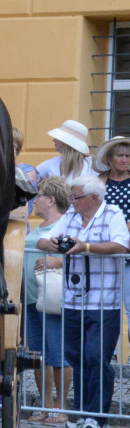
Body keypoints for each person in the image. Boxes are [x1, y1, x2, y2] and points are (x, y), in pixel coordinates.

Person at [37, 175, 128, 428]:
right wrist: (53, 244)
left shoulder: (112, 213)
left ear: (94, 197)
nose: (72, 201)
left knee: (96, 356)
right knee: (76, 357)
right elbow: (42, 240)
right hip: (73, 300)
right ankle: (82, 413)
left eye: (76, 197)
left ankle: (98, 417)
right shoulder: (71, 216)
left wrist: (85, 246)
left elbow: (122, 244)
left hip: (104, 301)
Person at [24, 177, 73, 425]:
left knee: (58, 353)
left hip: (52, 297)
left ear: (51, 200)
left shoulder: (65, 224)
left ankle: (61, 408)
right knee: (38, 355)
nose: (35, 200)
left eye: (39, 195)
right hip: (32, 297)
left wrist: (58, 262)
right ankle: (46, 406)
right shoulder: (41, 226)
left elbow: (79, 256)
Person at [92, 136, 130, 326]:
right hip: (103, 249)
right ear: (109, 158)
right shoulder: (99, 182)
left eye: (128, 156)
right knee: (102, 304)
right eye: (120, 156)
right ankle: (107, 345)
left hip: (127, 249)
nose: (124, 160)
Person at [36, 119, 95, 184]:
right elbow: (32, 179)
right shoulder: (50, 164)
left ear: (66, 143)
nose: (54, 140)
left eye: (58, 137)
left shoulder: (93, 165)